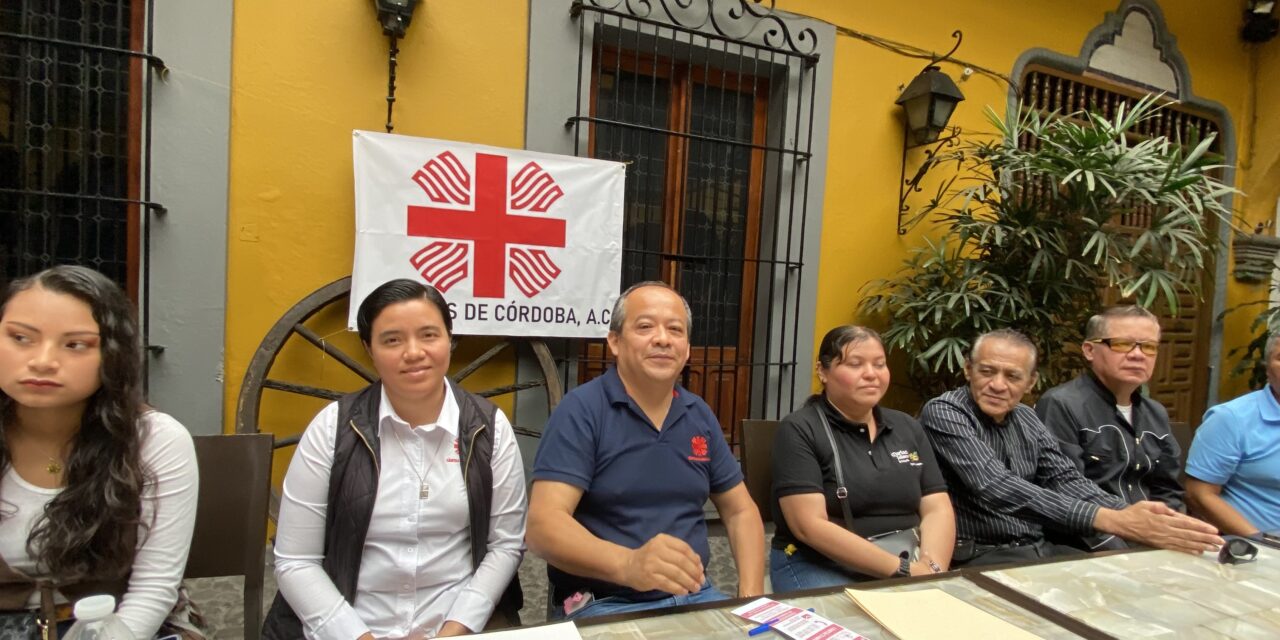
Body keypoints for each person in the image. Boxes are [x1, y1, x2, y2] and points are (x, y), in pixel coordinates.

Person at [263, 279, 525, 640]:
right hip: (349, 627)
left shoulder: (489, 428)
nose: (413, 352)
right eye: (392, 340)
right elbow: (296, 561)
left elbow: (505, 545)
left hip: (457, 624)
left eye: (429, 335)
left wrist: (453, 630)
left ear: (450, 340)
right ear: (369, 349)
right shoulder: (333, 428)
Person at [527, 281, 764, 620]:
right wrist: (628, 564)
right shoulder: (582, 411)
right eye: (645, 327)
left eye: (675, 330)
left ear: (687, 349)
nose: (663, 339)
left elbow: (741, 511)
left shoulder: (699, 416)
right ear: (615, 342)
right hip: (604, 602)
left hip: (696, 595)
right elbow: (543, 526)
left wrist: (750, 599)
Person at [0, 265, 199, 639]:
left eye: (75, 344)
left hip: (118, 624)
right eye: (21, 338)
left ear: (112, 356)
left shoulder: (156, 440)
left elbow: (153, 589)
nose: (42, 360)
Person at [919, 329, 1221, 567]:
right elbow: (995, 485)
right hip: (981, 553)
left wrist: (1132, 515)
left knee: (1132, 585)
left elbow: (1065, 479)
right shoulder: (946, 411)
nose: (998, 385)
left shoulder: (1025, 416)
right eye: (987, 371)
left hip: (1038, 547)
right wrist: (1112, 520)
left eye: (1012, 376)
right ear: (968, 370)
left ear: (1031, 382)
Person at [769, 326, 954, 590]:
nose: (871, 374)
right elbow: (808, 525)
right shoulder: (800, 429)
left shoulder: (906, 426)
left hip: (908, 557)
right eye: (855, 364)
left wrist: (932, 568)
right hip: (824, 562)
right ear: (822, 371)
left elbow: (937, 506)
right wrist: (904, 571)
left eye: (879, 364)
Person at [1035, 307, 1184, 549]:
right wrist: (1123, 552)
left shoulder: (1155, 413)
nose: (1138, 355)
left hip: (1149, 544)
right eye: (1123, 344)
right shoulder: (1061, 404)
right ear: (1089, 350)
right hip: (1087, 546)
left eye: (1148, 346)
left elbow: (1168, 491)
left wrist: (1170, 538)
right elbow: (1063, 492)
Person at [1185, 332, 1280, 536]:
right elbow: (1199, 494)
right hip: (1257, 548)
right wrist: (1262, 543)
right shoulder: (1231, 418)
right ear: (1267, 368)